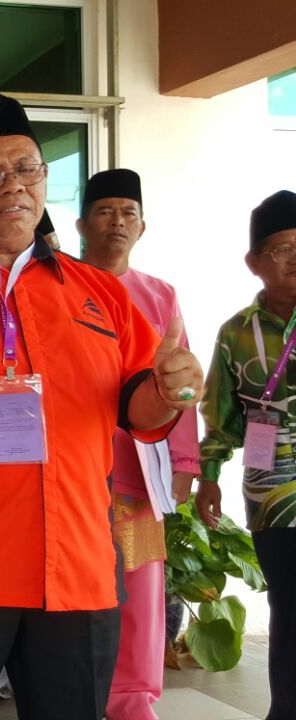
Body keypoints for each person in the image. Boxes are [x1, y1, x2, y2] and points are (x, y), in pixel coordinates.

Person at [0, 92, 204, 720]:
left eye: (26, 169)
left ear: (45, 181)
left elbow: (142, 413)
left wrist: (171, 389)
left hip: (75, 568)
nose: (13, 187)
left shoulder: (101, 294)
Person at [78, 168, 201, 720]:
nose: (117, 221)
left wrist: (183, 464)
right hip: (73, 464)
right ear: (82, 223)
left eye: (128, 212)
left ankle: (132, 698)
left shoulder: (160, 295)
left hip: (138, 474)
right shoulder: (58, 284)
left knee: (143, 583)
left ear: (143, 225)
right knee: (74, 583)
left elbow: (183, 385)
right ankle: (75, 688)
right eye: (105, 211)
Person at [198, 189, 296, 720]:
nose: (295, 258)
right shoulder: (236, 333)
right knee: (289, 605)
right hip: (272, 487)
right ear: (254, 262)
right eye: (282, 248)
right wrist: (208, 474)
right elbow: (220, 412)